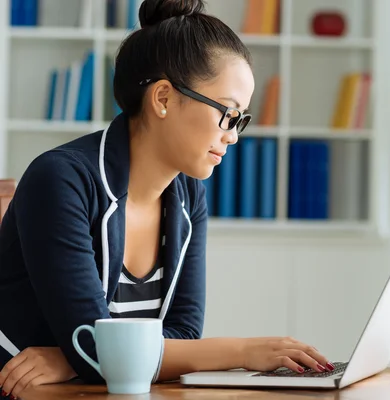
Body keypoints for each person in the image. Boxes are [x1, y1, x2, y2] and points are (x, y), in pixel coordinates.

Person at [0, 1, 333, 398]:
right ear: (162, 98)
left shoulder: (188, 197)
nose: (233, 135)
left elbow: (183, 334)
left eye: (240, 120)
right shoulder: (61, 180)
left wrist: (73, 358)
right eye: (228, 113)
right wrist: (245, 351)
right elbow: (94, 351)